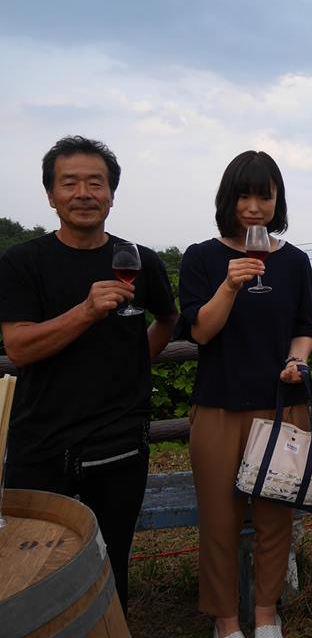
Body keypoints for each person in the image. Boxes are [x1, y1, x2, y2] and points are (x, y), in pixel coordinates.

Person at [0, 135, 178, 614]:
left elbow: (168, 318)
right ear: (51, 195)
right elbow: (19, 347)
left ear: (112, 194)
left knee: (111, 561)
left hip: (118, 440)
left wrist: (135, 361)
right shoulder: (21, 262)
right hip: (40, 442)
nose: (83, 193)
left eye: (95, 183)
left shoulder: (139, 259)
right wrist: (86, 311)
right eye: (70, 183)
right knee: (33, 566)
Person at [179, 151, 312, 638]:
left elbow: (305, 328)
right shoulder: (201, 257)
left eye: (265, 195)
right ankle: (225, 620)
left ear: (278, 200)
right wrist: (229, 285)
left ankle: (265, 613)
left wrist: (297, 360)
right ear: (228, 199)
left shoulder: (295, 261)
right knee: (218, 520)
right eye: (245, 195)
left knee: (275, 517)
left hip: (281, 406)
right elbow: (200, 331)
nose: (255, 206)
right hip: (217, 407)